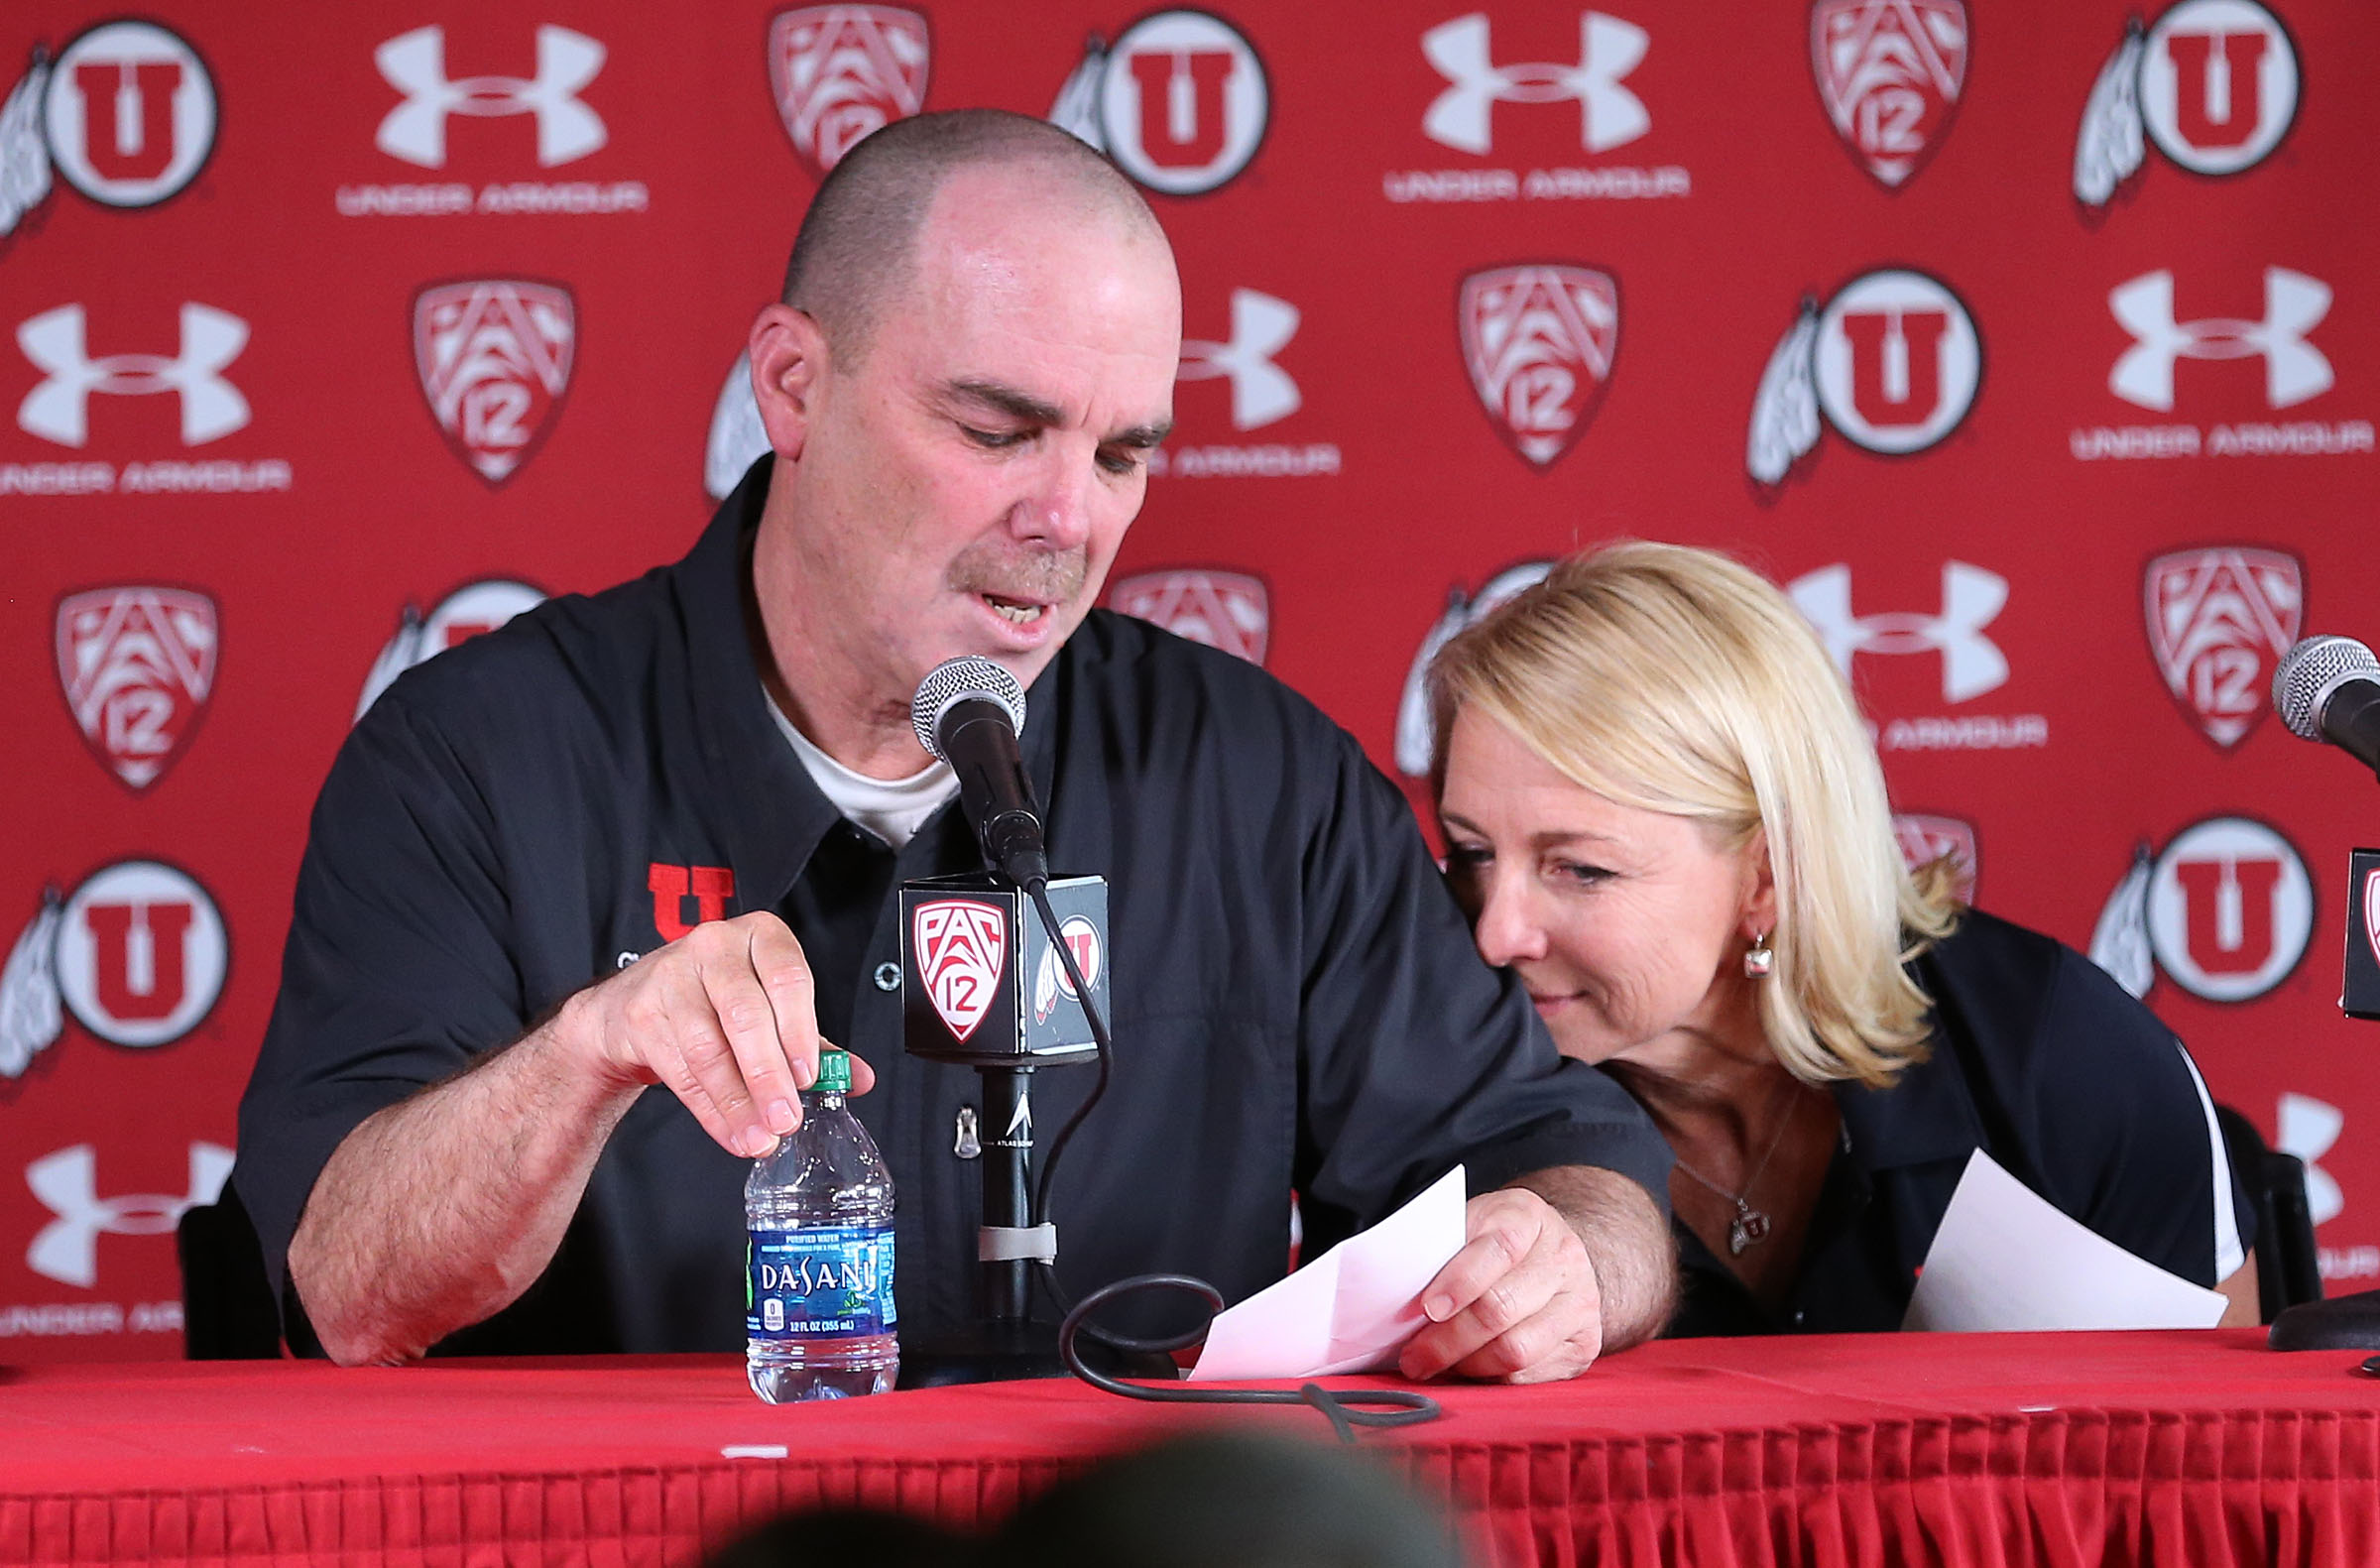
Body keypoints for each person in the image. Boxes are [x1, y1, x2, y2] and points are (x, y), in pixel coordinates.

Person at [232, 109, 1678, 1376]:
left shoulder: (1259, 781)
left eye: (1122, 454)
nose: (1071, 520)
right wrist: (588, 1055)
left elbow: (1582, 1163)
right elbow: (346, 1291)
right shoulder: (479, 759)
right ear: (793, 386)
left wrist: (1570, 1264)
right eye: (999, 429)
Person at [1424, 542, 2259, 1336]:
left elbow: (2217, 1458)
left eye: (1579, 868)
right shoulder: (1421, 1076)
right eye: (1469, 852)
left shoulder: (2057, 1061)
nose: (1495, 932)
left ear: (1768, 877)